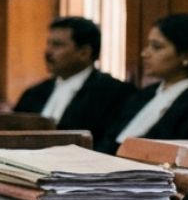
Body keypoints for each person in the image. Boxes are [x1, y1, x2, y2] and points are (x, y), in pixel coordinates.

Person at [12, 17, 134, 146]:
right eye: (48, 43)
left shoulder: (115, 94)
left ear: (84, 53)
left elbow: (108, 144)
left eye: (57, 45)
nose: (48, 51)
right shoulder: (34, 93)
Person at [101, 13, 188, 155]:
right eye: (148, 45)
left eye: (157, 47)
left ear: (186, 56)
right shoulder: (144, 95)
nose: (145, 53)